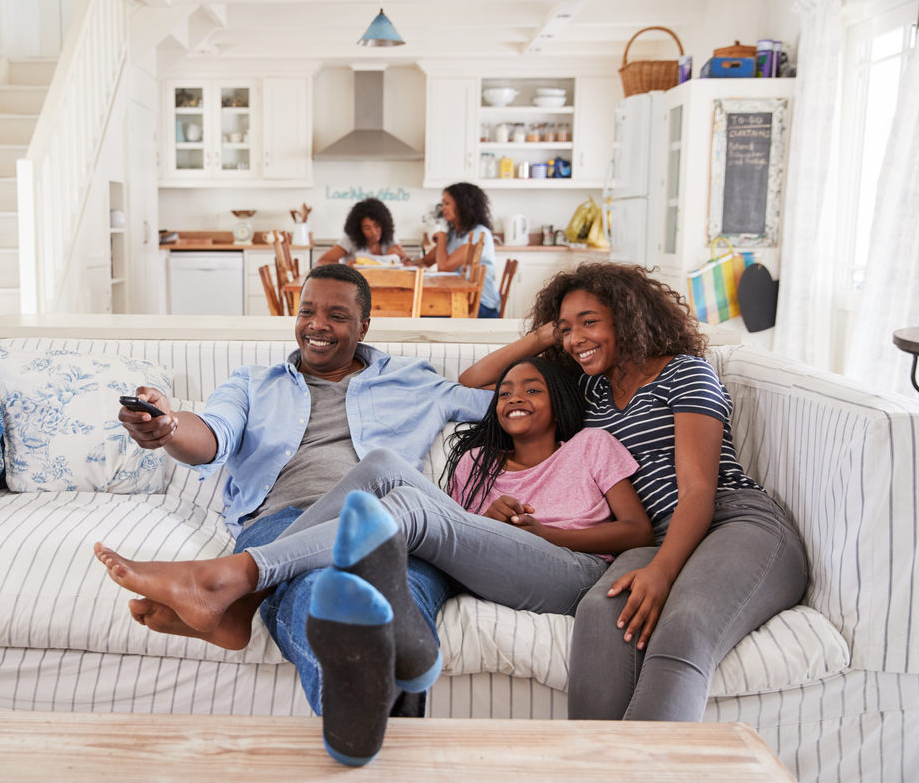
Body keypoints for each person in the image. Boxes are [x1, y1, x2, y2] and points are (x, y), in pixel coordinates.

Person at [97, 354, 652, 765]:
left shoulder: (590, 447)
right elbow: (460, 542)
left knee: (403, 503)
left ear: (559, 398)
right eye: (505, 391)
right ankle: (243, 594)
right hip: (502, 569)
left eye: (532, 388)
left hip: (573, 571)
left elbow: (636, 529)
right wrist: (494, 523)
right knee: (383, 466)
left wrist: (542, 529)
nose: (512, 396)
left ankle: (238, 580)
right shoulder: (477, 463)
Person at [96, 262, 493, 719]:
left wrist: (546, 338)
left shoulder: (415, 381)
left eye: (337, 316)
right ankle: (362, 721)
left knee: (400, 600)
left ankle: (238, 612)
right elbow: (212, 434)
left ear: (365, 326)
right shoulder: (252, 382)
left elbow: (510, 403)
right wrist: (167, 427)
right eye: (307, 311)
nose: (317, 325)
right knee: (318, 590)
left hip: (394, 528)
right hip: (284, 522)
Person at [459, 262, 808, 722]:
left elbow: (699, 490)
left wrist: (662, 572)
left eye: (590, 322)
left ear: (627, 317)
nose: (576, 338)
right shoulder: (592, 389)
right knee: (601, 617)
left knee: (683, 628)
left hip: (733, 521)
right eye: (567, 328)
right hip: (652, 536)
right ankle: (595, 764)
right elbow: (476, 380)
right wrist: (550, 334)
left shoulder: (686, 374)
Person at [420, 182, 501, 318]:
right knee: (421, 309)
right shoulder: (454, 234)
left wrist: (441, 236)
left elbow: (444, 266)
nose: (443, 208)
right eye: (442, 203)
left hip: (482, 305)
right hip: (461, 300)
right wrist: (402, 261)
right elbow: (425, 262)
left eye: (447, 203)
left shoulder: (478, 235)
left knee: (422, 313)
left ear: (463, 204)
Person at [315, 197, 414, 267]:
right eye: (367, 228)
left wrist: (399, 256)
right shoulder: (350, 240)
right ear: (359, 229)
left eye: (377, 226)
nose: (374, 232)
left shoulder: (389, 238)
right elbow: (320, 263)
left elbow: (409, 262)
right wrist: (345, 267)